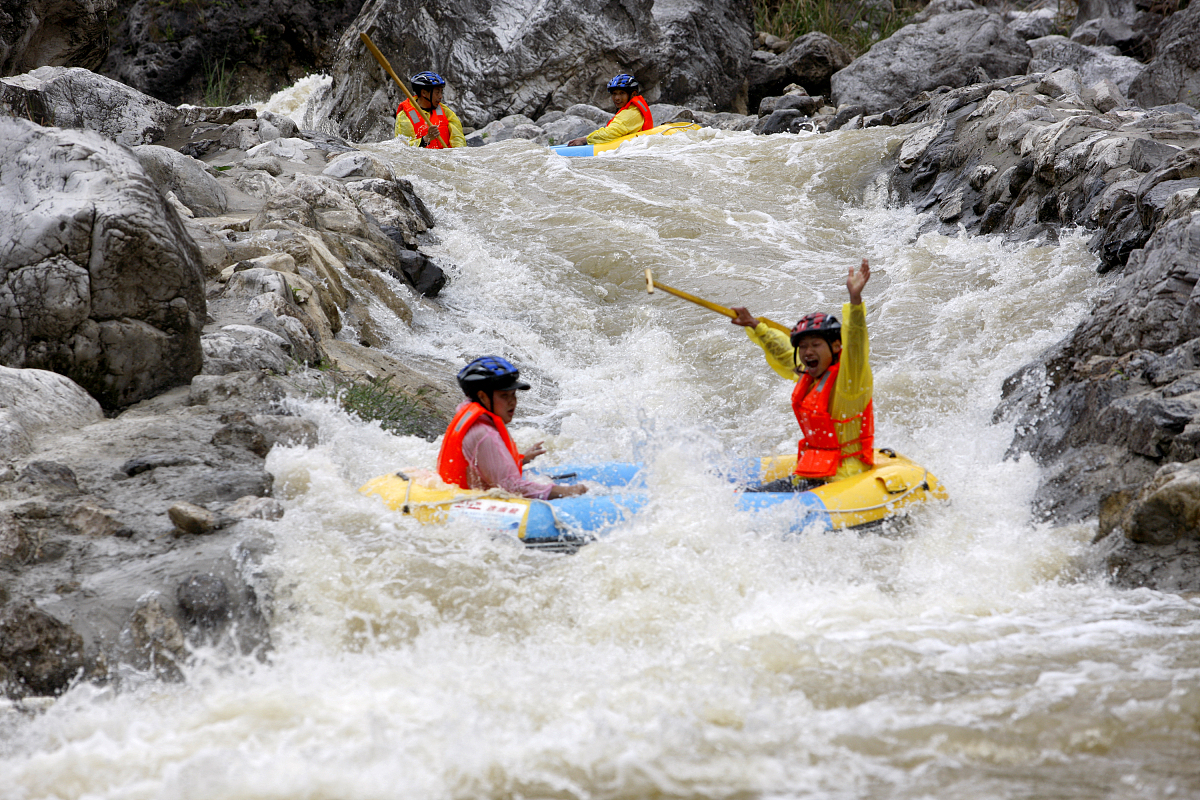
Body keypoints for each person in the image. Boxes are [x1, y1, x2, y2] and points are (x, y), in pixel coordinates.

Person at [731, 259, 874, 492]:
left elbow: (857, 340)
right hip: (816, 471)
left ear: (837, 347)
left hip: (846, 476)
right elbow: (786, 353)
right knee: (748, 494)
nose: (808, 352)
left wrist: (855, 302)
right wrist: (755, 325)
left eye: (816, 344)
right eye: (804, 346)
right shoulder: (811, 374)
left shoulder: (851, 378)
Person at [437, 356, 588, 499]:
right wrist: (565, 490)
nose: (512, 402)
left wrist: (521, 460)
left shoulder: (469, 414)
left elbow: (485, 467)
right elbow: (510, 488)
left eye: (513, 394)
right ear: (482, 396)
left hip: (456, 494)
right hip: (468, 506)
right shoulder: (484, 433)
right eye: (504, 396)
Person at [565, 74, 654, 147]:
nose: (617, 98)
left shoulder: (631, 113)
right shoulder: (633, 109)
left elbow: (610, 133)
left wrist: (585, 140)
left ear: (633, 94)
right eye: (614, 94)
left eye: (622, 93)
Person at [394, 71, 468, 149]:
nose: (440, 96)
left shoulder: (446, 112)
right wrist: (426, 139)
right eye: (437, 92)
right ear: (424, 93)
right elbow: (404, 148)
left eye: (441, 92)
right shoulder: (405, 117)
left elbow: (459, 140)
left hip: (445, 158)